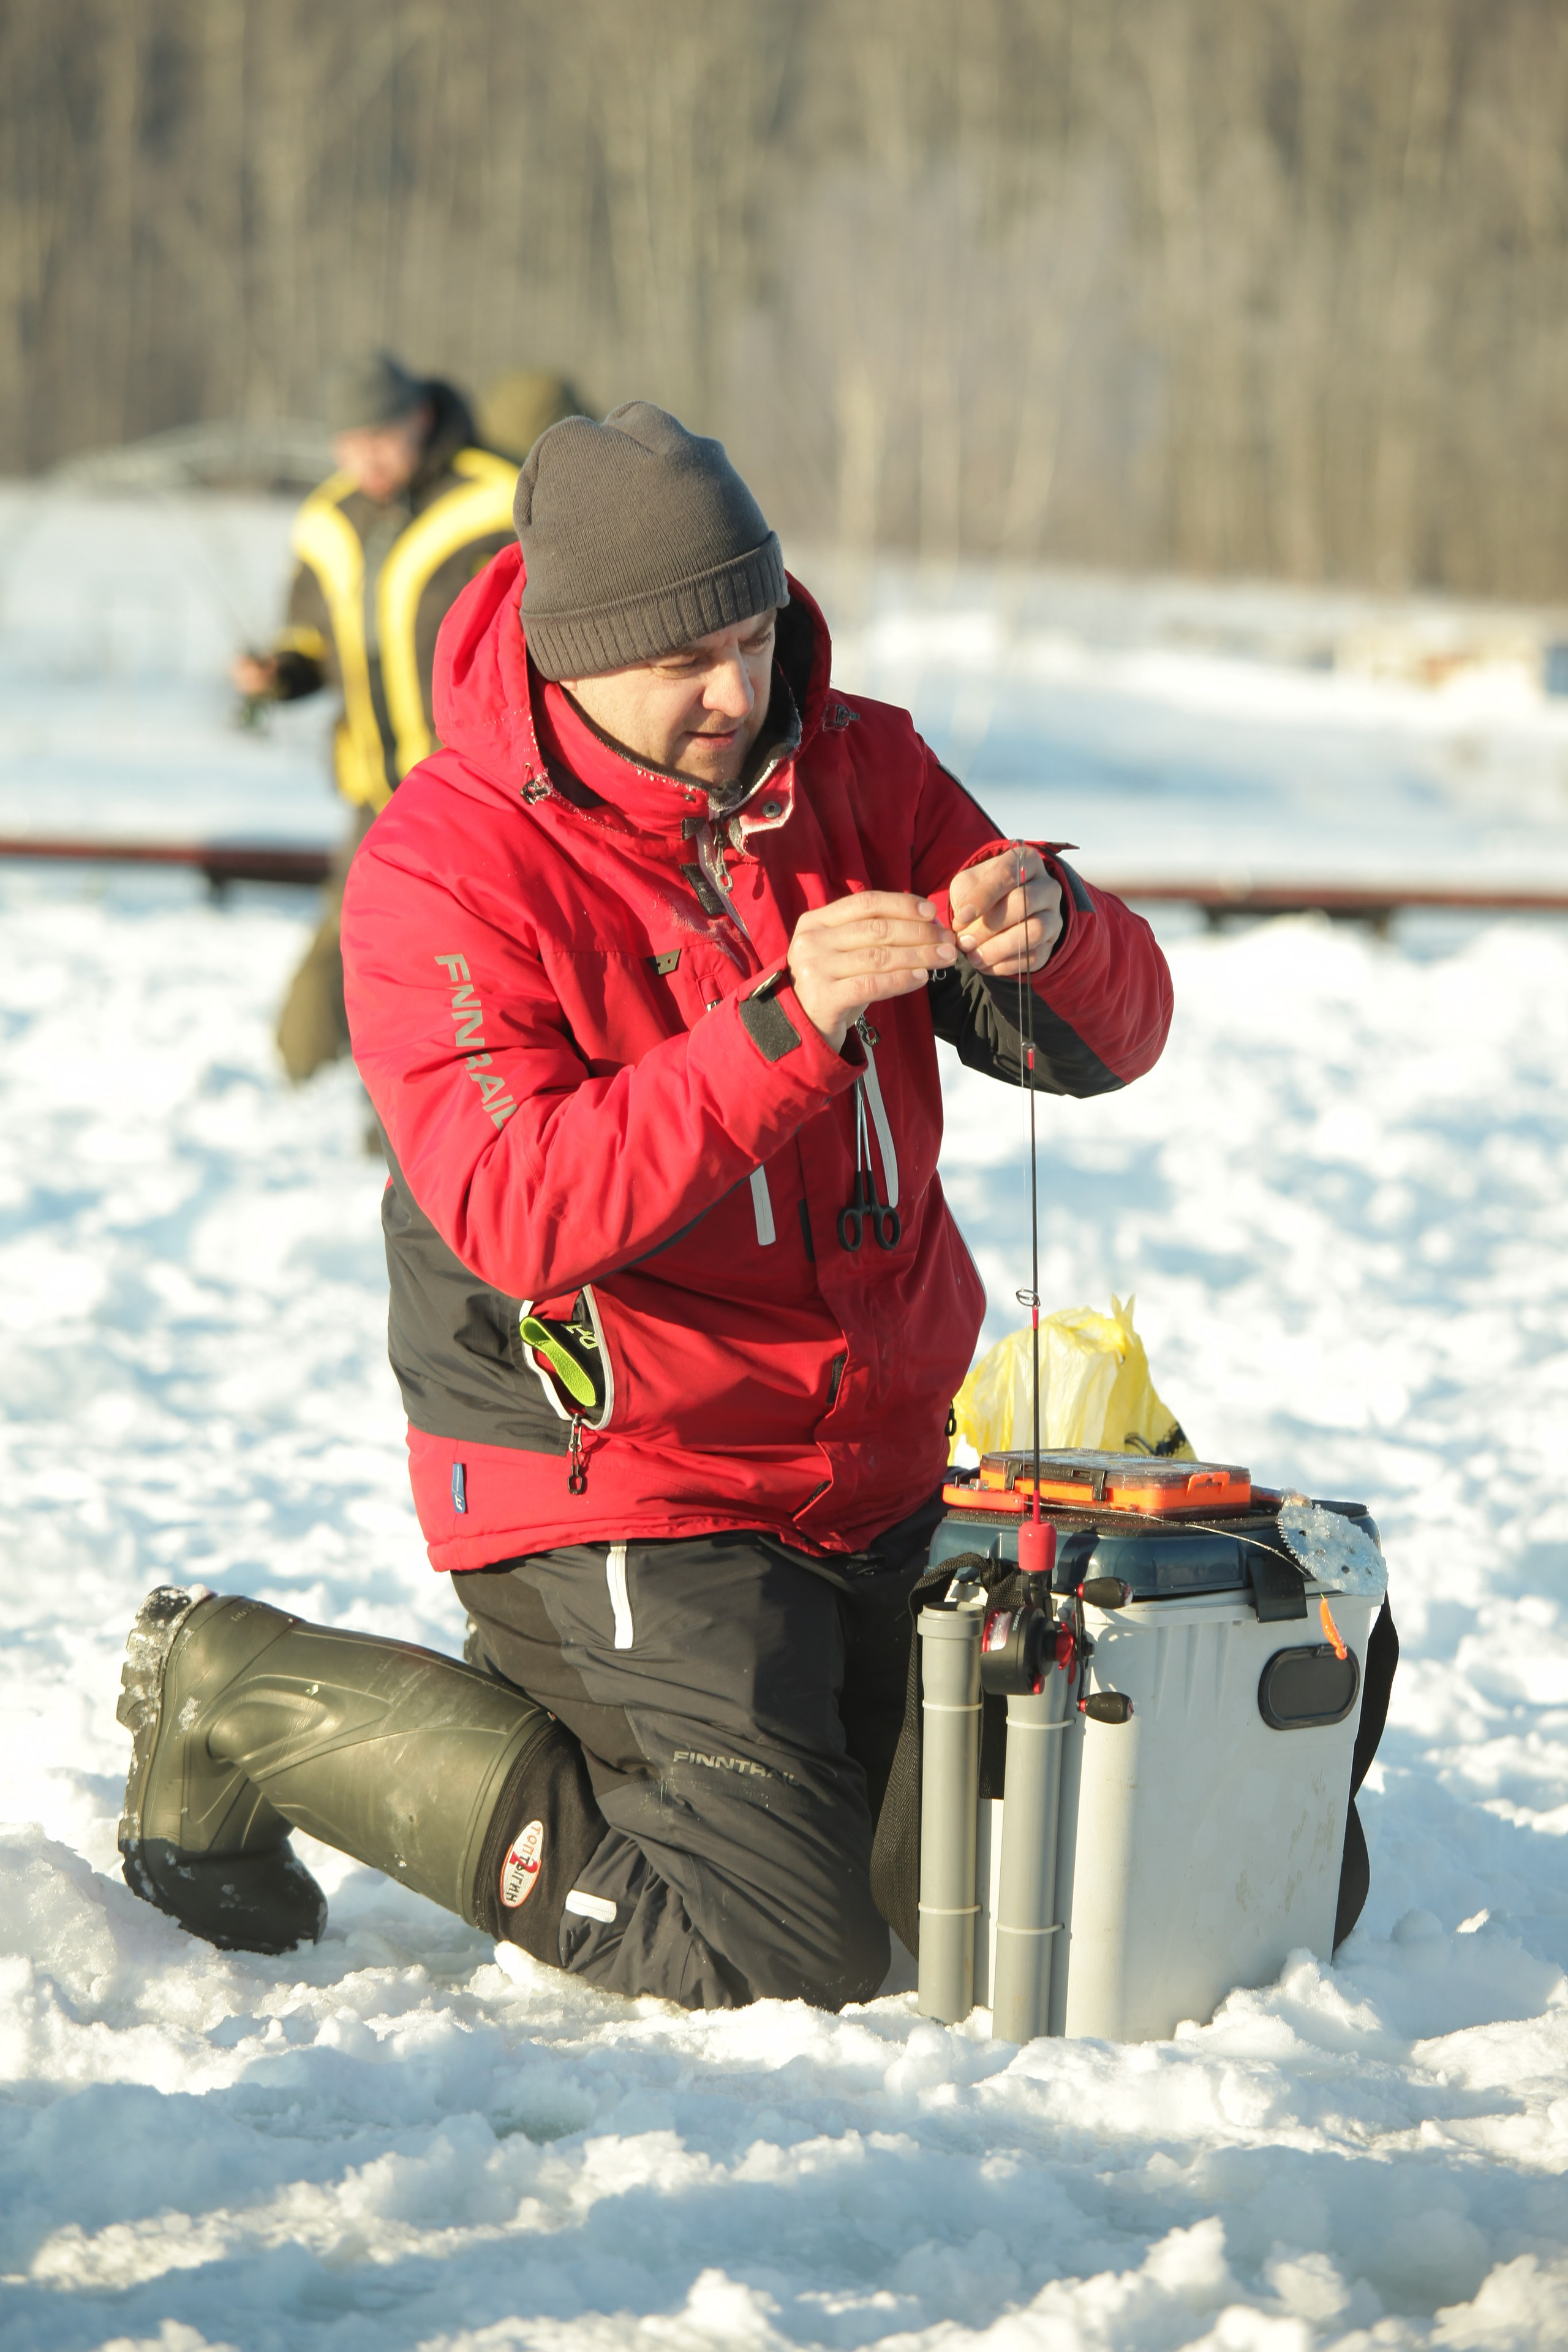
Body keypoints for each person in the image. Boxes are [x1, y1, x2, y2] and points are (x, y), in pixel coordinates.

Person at [119, 405, 1173, 2009]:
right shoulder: (438, 868)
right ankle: (236, 1693)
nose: (738, 691)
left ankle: (650, 1730)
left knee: (991, 1861)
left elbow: (1123, 1035)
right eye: (687, 658)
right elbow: (515, 1205)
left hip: (862, 1465)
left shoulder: (861, 763)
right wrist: (783, 1028)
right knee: (780, 1953)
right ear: (570, 655)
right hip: (612, 1470)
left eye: (752, 634)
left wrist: (1056, 924)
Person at [234, 353, 519, 1082]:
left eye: (380, 440)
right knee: (356, 947)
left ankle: (448, 1109)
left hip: (482, 791)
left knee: (467, 965)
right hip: (376, 792)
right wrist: (281, 672)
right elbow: (315, 638)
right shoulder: (330, 519)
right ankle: (306, 1083)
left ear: (419, 419)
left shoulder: (498, 498)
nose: (365, 460)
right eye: (348, 445)